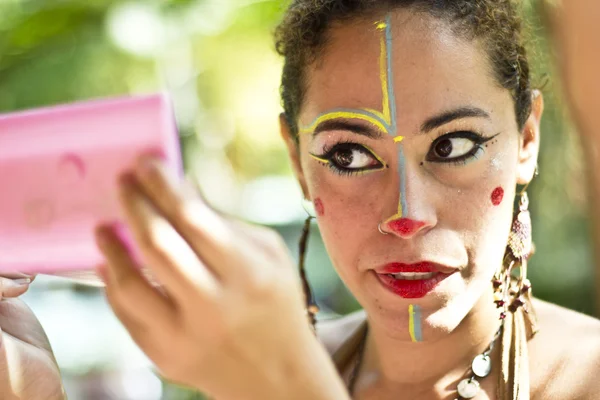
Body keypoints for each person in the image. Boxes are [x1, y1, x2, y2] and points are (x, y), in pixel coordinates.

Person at [1, 0, 600, 399]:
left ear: (525, 140)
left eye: (455, 144)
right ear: (297, 162)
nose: (408, 214)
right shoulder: (255, 366)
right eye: (349, 156)